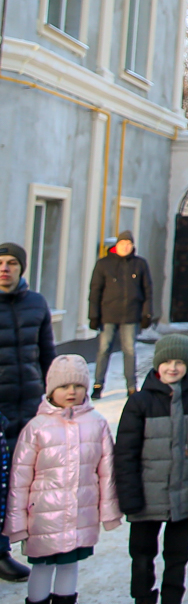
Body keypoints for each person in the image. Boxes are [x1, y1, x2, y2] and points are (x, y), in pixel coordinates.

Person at [5, 355, 120, 604]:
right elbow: (19, 478)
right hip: (41, 517)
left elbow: (107, 472)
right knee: (42, 568)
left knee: (69, 566)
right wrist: (16, 524)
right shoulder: (37, 427)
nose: (71, 391)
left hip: (79, 515)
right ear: (50, 390)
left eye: (78, 385)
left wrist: (108, 513)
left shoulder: (96, 424)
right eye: (64, 385)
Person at [113, 334, 188, 604]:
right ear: (157, 364)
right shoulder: (139, 402)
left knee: (177, 554)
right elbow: (125, 453)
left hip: (183, 495)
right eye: (167, 362)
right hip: (147, 495)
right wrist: (128, 497)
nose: (173, 368)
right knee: (143, 554)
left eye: (180, 362)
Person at [0, 241, 54, 582]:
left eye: (11, 263)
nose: (5, 268)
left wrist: (52, 398)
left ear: (22, 268)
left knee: (23, 483)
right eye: (0, 262)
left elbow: (47, 353)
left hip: (30, 407)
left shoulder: (36, 304)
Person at [88, 230, 154, 400]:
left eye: (129, 244)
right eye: (122, 244)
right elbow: (95, 290)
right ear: (116, 246)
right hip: (108, 314)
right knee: (103, 350)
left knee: (129, 350)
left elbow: (147, 290)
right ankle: (97, 385)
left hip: (131, 315)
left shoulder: (140, 264)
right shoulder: (104, 264)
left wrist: (147, 313)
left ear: (132, 246)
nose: (125, 247)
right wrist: (93, 315)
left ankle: (131, 387)